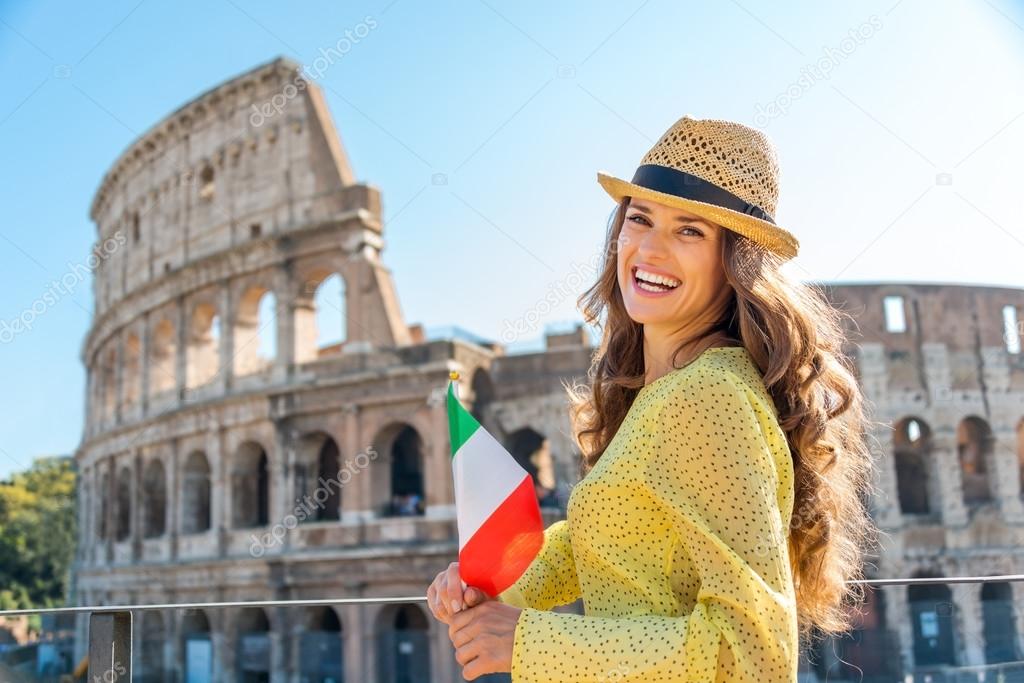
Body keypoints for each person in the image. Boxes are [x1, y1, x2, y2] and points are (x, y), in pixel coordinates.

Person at [427, 115, 877, 681]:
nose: (650, 248)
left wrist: (528, 640)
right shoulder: (665, 390)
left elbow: (755, 655)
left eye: (690, 230)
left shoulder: (707, 395)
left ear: (734, 261)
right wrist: (487, 579)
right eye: (639, 219)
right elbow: (612, 540)